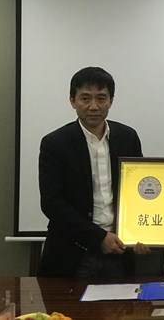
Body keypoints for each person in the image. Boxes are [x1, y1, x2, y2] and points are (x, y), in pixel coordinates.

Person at [38, 66, 148, 277]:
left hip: (120, 251)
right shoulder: (55, 143)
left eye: (101, 98)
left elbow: (138, 193)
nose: (94, 106)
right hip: (72, 254)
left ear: (111, 101)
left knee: (123, 300)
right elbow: (52, 203)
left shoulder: (128, 137)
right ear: (73, 101)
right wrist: (98, 238)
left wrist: (142, 233)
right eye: (85, 98)